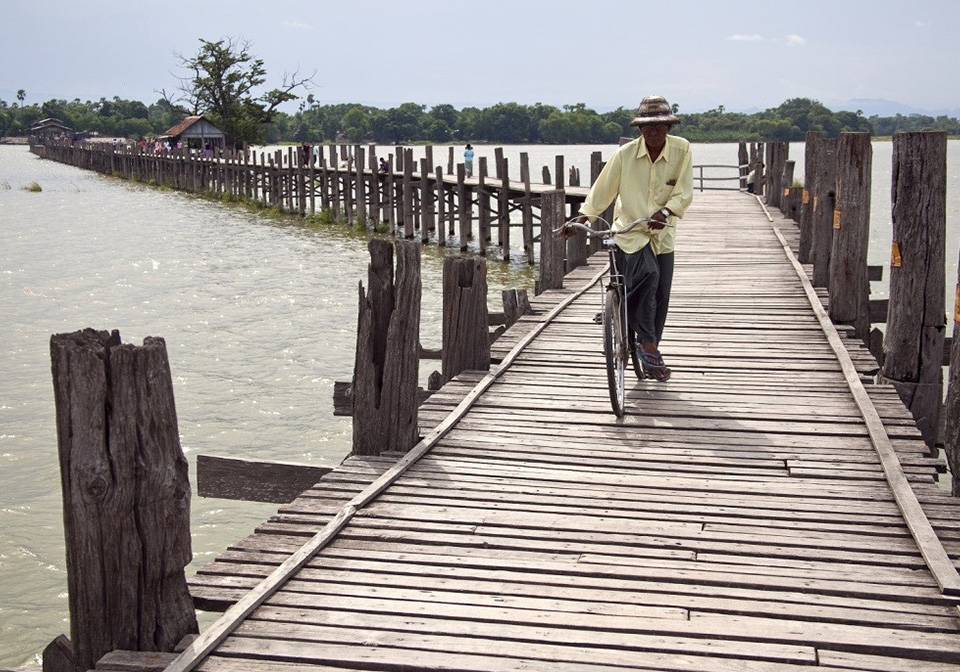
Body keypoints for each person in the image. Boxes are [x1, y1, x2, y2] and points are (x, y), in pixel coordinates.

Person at [564, 95, 693, 382]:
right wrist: (581, 218)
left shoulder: (682, 150)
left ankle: (650, 348)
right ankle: (646, 343)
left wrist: (666, 211)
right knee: (647, 273)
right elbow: (602, 191)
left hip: (663, 232)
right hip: (630, 231)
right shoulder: (623, 156)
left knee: (661, 297)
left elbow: (683, 190)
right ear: (639, 129)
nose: (653, 131)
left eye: (659, 125)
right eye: (647, 126)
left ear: (668, 127)